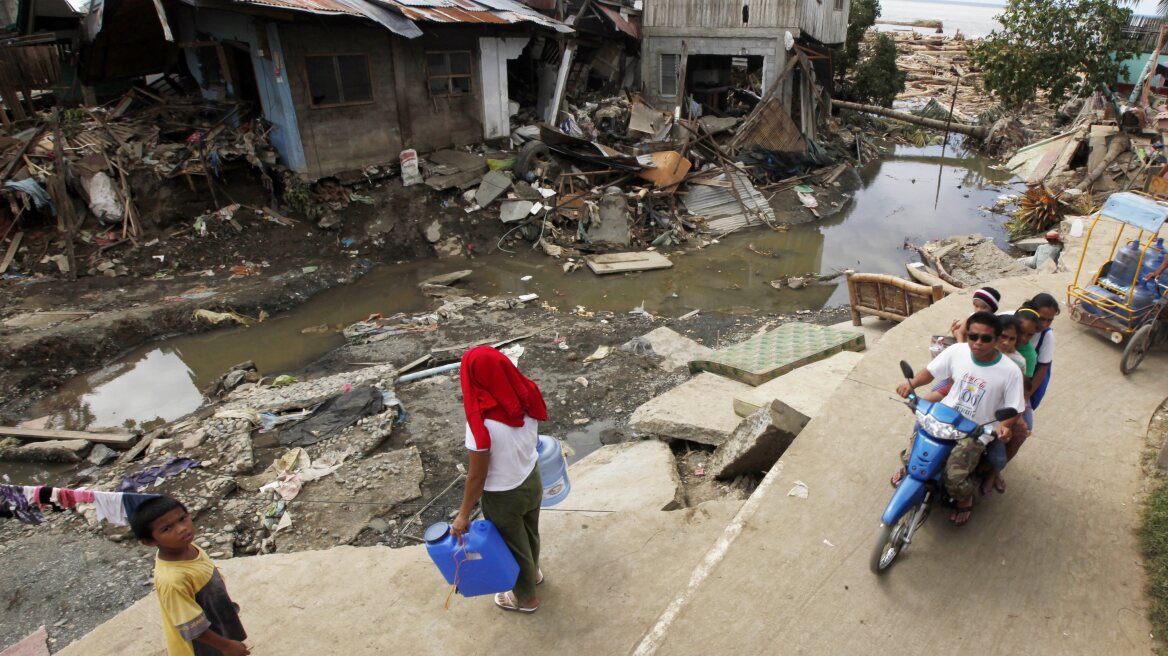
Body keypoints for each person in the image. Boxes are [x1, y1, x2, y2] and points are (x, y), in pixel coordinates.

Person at [893, 312, 1026, 525]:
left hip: (976, 430)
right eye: (973, 336)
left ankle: (965, 499)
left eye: (986, 338)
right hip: (944, 417)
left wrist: (1005, 426)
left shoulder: (1010, 371)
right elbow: (930, 372)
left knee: (953, 477)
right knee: (915, 449)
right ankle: (910, 471)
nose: (978, 343)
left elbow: (1016, 407)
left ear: (998, 338)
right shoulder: (956, 351)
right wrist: (912, 384)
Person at [452, 346, 548, 614]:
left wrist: (463, 515)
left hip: (504, 496)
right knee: (530, 533)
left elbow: (477, 476)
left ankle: (526, 599)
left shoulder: (481, 423)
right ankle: (534, 575)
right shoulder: (526, 395)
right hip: (532, 479)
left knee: (512, 546)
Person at [130, 496, 249, 656]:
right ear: (150, 542)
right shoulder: (172, 580)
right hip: (205, 646)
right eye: (167, 529)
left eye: (182, 519)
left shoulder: (186, 547)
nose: (182, 528)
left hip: (218, 625)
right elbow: (193, 627)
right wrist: (226, 646)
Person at [980, 315, 1032, 496]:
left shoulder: (1019, 362)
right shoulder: (982, 350)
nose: (1006, 342)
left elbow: (1019, 392)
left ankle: (994, 473)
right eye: (1003, 336)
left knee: (1021, 432)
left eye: (1012, 339)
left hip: (1003, 408)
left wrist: (1018, 416)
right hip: (978, 399)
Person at [1023, 293, 1059, 411]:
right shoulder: (1015, 321)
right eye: (1041, 318)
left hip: (1026, 382)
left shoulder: (1046, 336)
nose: (1044, 324)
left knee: (1026, 425)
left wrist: (1026, 397)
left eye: (1049, 320)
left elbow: (1042, 369)